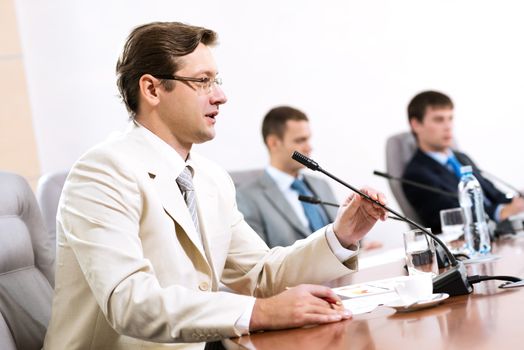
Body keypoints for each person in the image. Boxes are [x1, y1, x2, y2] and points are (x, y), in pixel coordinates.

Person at [43, 22, 387, 349]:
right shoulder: (101, 172)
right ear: (151, 89)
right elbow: (130, 302)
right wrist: (261, 312)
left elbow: (263, 273)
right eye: (203, 81)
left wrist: (342, 235)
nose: (220, 96)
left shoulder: (209, 178)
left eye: (216, 80)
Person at [237, 106, 382, 249]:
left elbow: (338, 231)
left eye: (308, 139)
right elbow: (260, 261)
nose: (309, 147)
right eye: (300, 140)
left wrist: (362, 244)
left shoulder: (320, 184)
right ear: (273, 143)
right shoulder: (247, 197)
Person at [402, 90, 524, 233]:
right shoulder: (416, 174)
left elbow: (494, 194)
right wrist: (502, 212)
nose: (448, 126)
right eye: (439, 120)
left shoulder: (461, 157)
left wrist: (516, 201)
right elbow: (453, 217)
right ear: (416, 124)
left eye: (450, 118)